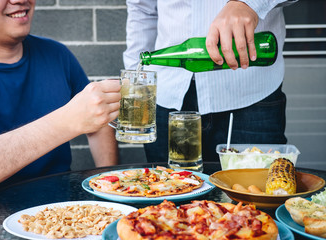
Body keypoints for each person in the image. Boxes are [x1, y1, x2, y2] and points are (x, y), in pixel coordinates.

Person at [0, 0, 121, 196]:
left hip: (66, 214)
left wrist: (109, 184)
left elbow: (99, 117)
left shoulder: (57, 54)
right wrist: (65, 122)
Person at [124, 0, 297, 164]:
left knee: (255, 192)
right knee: (166, 189)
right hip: (167, 95)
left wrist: (248, 3)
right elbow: (142, 10)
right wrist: (135, 84)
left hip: (251, 95)